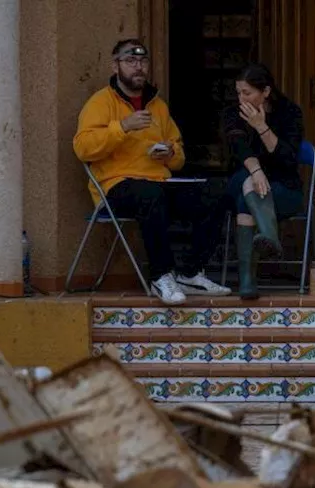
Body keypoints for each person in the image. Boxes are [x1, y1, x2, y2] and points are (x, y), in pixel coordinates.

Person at [73, 39, 231, 304]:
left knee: (215, 194)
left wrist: (170, 153)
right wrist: (122, 127)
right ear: (116, 66)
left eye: (143, 61)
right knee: (150, 195)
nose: (138, 67)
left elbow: (178, 154)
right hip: (116, 186)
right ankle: (161, 275)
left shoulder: (157, 105)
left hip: (158, 180)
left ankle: (189, 273)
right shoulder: (100, 102)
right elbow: (83, 148)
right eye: (131, 61)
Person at [221, 63, 306, 299]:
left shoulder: (289, 113)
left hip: (284, 187)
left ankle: (248, 281)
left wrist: (261, 126)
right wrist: (256, 170)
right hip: (243, 176)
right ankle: (269, 236)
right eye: (238, 92)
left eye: (246, 92)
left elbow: (287, 158)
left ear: (266, 92)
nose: (241, 98)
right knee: (247, 182)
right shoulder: (233, 113)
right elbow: (237, 146)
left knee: (244, 202)